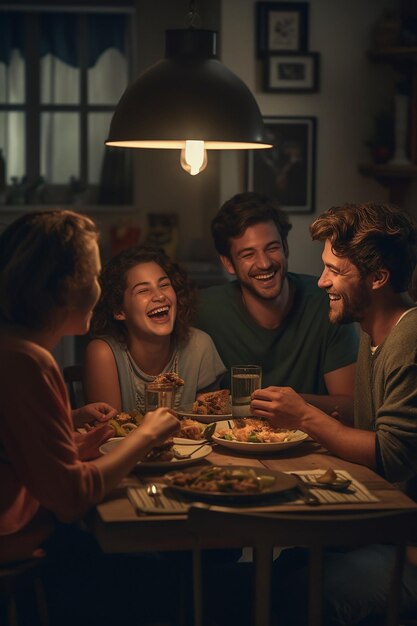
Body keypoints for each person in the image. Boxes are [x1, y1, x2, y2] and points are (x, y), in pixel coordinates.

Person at [0, 210, 180, 625]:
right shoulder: (29, 362)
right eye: (95, 276)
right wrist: (146, 435)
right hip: (16, 540)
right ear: (65, 288)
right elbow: (69, 499)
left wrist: (70, 432)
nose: (100, 289)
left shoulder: (11, 347)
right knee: (154, 569)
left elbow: (20, 457)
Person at [250, 201, 417, 625]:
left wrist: (305, 416)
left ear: (379, 278)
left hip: (407, 550)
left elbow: (392, 454)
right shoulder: (372, 332)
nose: (322, 281)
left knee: (296, 590)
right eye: (324, 267)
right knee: (278, 568)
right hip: (382, 529)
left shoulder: (409, 340)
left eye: (336, 271)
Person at [196, 191, 358, 422]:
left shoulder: (328, 300)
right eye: (248, 254)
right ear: (228, 263)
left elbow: (352, 407)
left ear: (285, 248)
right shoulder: (205, 310)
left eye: (272, 248)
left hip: (312, 448)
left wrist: (292, 405)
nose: (264, 263)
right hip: (228, 446)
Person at [83, 245, 226, 413]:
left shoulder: (199, 345)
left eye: (164, 285)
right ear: (119, 311)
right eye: (143, 290)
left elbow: (207, 422)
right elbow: (109, 432)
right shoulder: (103, 353)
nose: (159, 296)